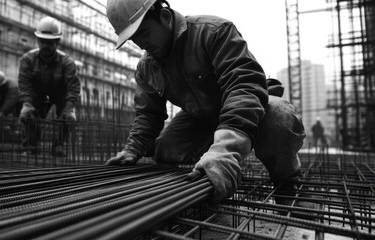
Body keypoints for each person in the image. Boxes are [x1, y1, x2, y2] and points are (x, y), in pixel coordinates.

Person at [104, 0, 318, 212]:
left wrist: (225, 149)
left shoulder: (213, 31)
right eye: (135, 40)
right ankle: (209, 172)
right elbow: (148, 115)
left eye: (144, 34)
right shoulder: (146, 68)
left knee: (278, 117)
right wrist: (132, 149)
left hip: (243, 105)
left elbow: (243, 85)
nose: (141, 45)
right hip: (201, 118)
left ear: (164, 17)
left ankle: (288, 186)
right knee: (165, 149)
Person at [18, 16, 81, 156]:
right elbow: (24, 84)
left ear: (57, 42)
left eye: (50, 42)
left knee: (68, 117)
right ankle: (30, 146)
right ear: (38, 41)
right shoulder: (27, 59)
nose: (45, 46)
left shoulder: (67, 63)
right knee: (28, 113)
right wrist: (27, 104)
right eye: (42, 42)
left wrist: (69, 108)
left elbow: (73, 88)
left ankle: (59, 146)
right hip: (37, 95)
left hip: (60, 95)